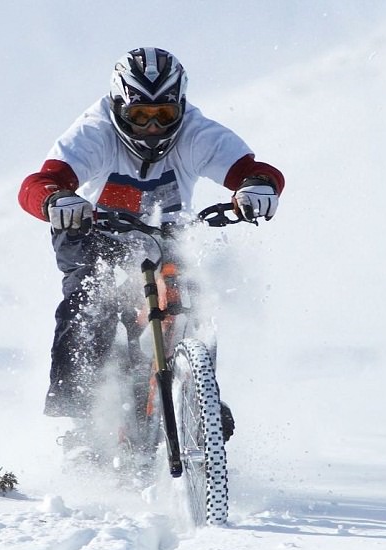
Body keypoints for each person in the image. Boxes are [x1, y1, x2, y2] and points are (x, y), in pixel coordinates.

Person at [18, 46, 284, 424]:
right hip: (91, 228)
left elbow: (253, 170)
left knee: (201, 292)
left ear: (181, 107)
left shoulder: (197, 133)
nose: (153, 128)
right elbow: (38, 183)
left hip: (169, 232)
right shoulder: (94, 132)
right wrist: (55, 201)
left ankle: (203, 397)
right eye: (139, 116)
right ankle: (78, 415)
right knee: (89, 300)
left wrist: (256, 188)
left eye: (164, 115)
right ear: (117, 108)